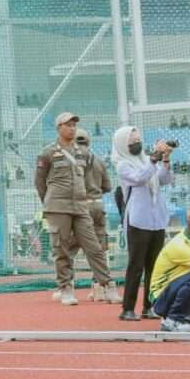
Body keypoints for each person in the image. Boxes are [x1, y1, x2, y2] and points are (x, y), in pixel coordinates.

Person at [36, 113, 115, 305]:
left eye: (74, 125)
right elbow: (39, 182)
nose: (72, 128)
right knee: (61, 248)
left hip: (80, 206)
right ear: (59, 128)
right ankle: (66, 288)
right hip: (58, 205)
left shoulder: (85, 154)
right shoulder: (47, 153)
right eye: (68, 125)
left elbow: (86, 177)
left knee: (94, 246)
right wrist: (50, 202)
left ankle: (107, 285)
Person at [110, 126, 172, 322]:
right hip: (138, 219)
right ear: (122, 145)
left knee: (154, 265)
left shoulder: (146, 159)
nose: (136, 144)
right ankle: (128, 308)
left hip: (157, 218)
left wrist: (165, 159)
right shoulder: (122, 164)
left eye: (138, 140)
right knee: (136, 265)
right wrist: (154, 158)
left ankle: (150, 306)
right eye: (131, 141)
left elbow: (164, 179)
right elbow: (139, 178)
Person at [73, 128, 114, 300]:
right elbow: (108, 187)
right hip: (98, 205)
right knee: (99, 248)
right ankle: (99, 287)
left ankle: (66, 285)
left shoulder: (73, 160)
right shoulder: (99, 160)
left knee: (69, 247)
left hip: (81, 207)